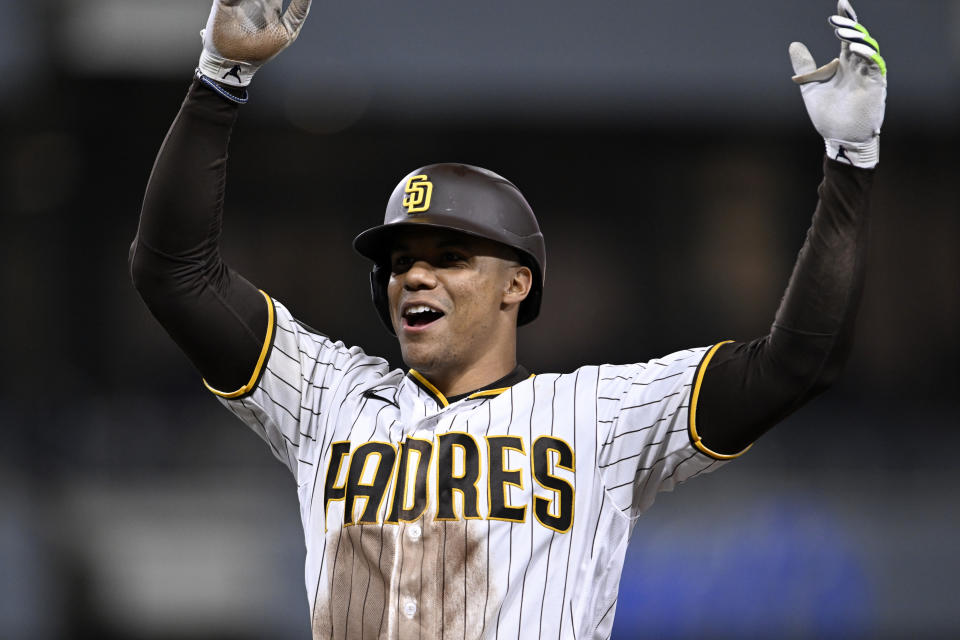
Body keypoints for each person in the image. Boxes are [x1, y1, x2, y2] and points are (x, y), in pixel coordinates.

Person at [130, 0, 886, 637]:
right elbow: (174, 274)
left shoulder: (598, 416)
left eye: (450, 254)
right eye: (399, 261)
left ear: (517, 283)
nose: (414, 272)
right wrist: (218, 79)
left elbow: (799, 363)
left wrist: (849, 165)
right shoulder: (330, 398)